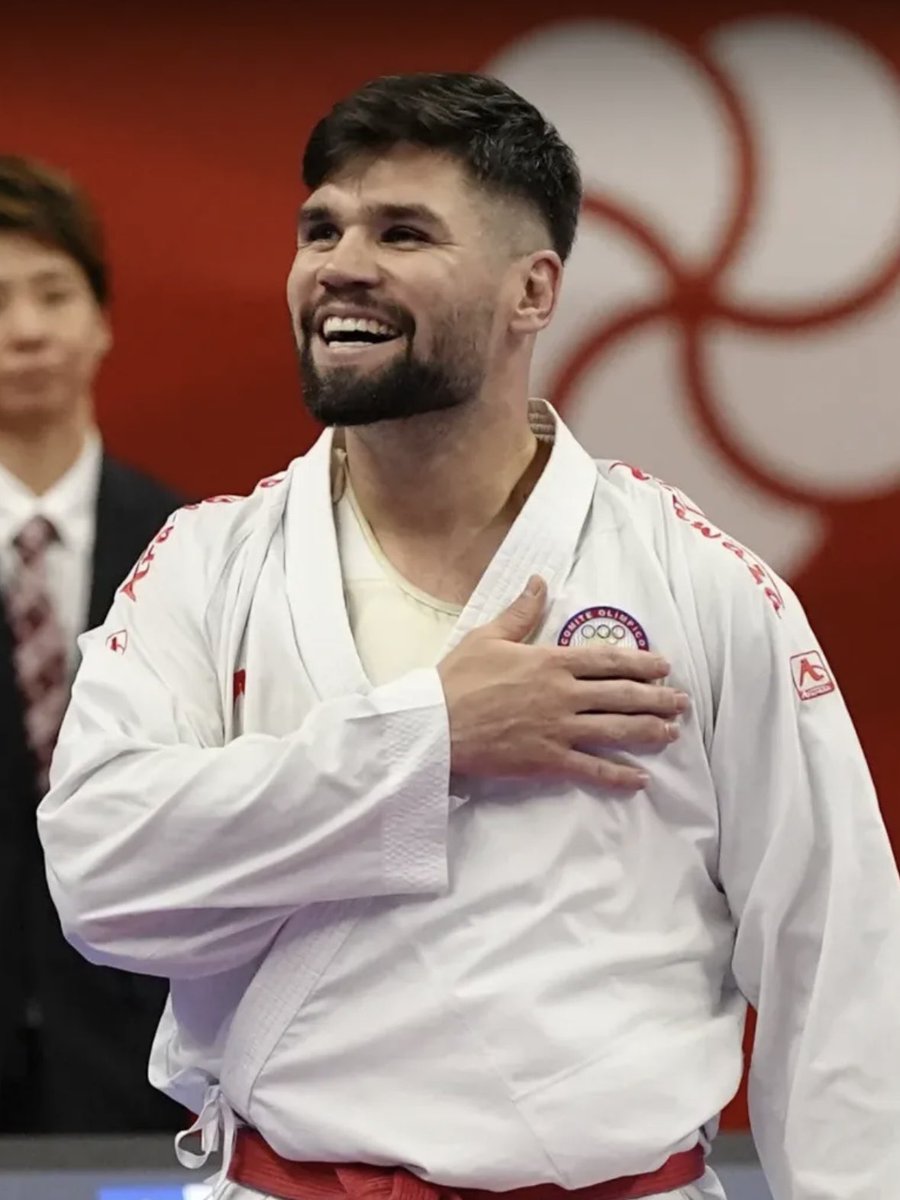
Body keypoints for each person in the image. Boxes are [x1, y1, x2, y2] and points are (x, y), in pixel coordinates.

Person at [36, 72, 899, 1200]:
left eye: (403, 232)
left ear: (531, 290)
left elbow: (829, 953)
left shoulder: (695, 582)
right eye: (321, 228)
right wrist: (429, 737)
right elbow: (101, 878)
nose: (340, 264)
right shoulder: (206, 567)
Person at [0, 154, 184, 1132]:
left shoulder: (190, 548)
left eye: (52, 294)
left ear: (100, 318)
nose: (26, 328)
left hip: (143, 1054)